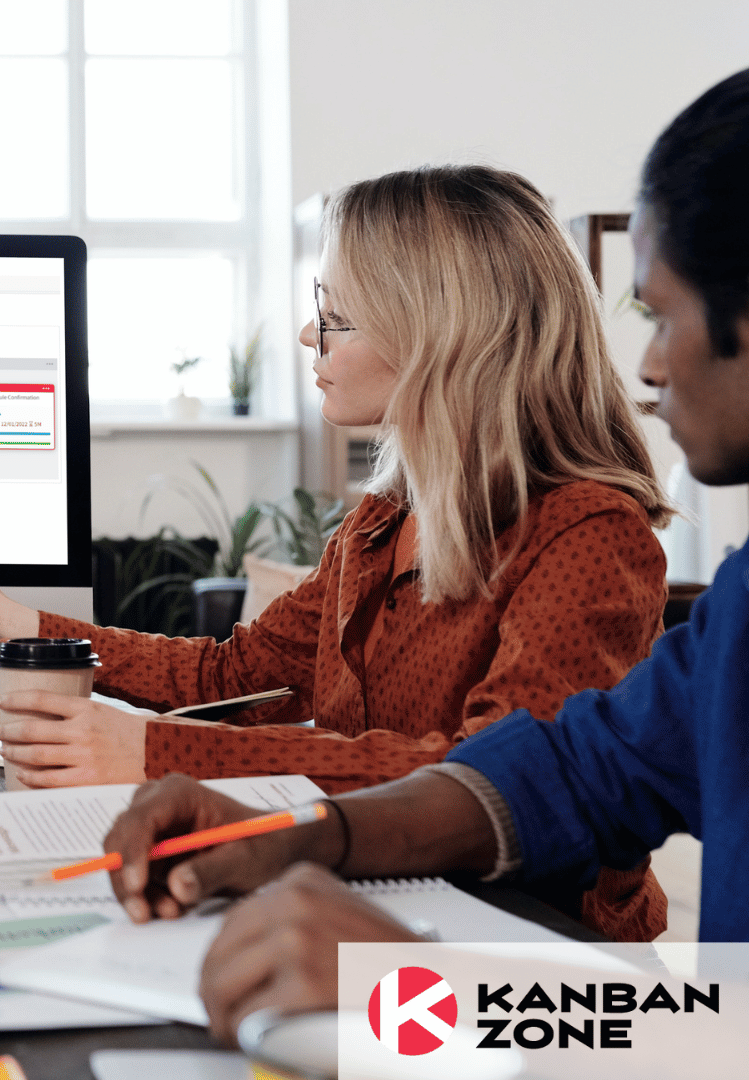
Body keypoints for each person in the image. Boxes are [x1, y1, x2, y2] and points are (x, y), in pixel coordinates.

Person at [0, 164, 674, 941]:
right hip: (378, 903)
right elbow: (237, 679)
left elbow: (487, 781)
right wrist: (10, 614)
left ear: (440, 336)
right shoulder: (381, 523)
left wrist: (151, 750)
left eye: (338, 313)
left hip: (533, 944)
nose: (314, 331)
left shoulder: (588, 535)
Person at [96, 66, 749, 1046]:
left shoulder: (584, 531)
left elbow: (710, 1044)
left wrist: (417, 989)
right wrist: (301, 838)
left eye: (661, 314)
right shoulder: (743, 604)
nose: (649, 365)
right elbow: (571, 771)